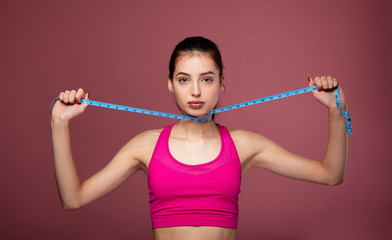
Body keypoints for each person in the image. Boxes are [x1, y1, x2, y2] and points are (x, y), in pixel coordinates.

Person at [50, 36, 348, 240]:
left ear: (221, 84)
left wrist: (337, 110)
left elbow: (330, 174)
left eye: (206, 79)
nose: (195, 91)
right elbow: (73, 199)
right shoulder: (146, 146)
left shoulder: (244, 145)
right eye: (184, 79)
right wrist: (58, 123)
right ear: (170, 84)